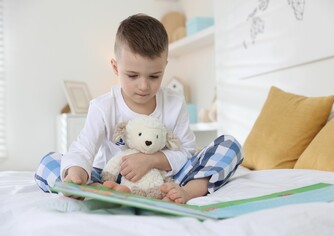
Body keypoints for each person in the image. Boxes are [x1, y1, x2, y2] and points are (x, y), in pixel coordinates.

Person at [35, 13, 243, 204]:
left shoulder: (174, 102)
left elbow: (186, 152)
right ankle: (99, 190)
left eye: (154, 76)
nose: (144, 86)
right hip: (111, 176)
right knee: (49, 162)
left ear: (164, 66)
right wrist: (76, 172)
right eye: (132, 75)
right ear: (116, 67)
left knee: (229, 145)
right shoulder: (103, 106)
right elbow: (83, 148)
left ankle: (186, 192)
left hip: (164, 179)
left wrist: (150, 160)